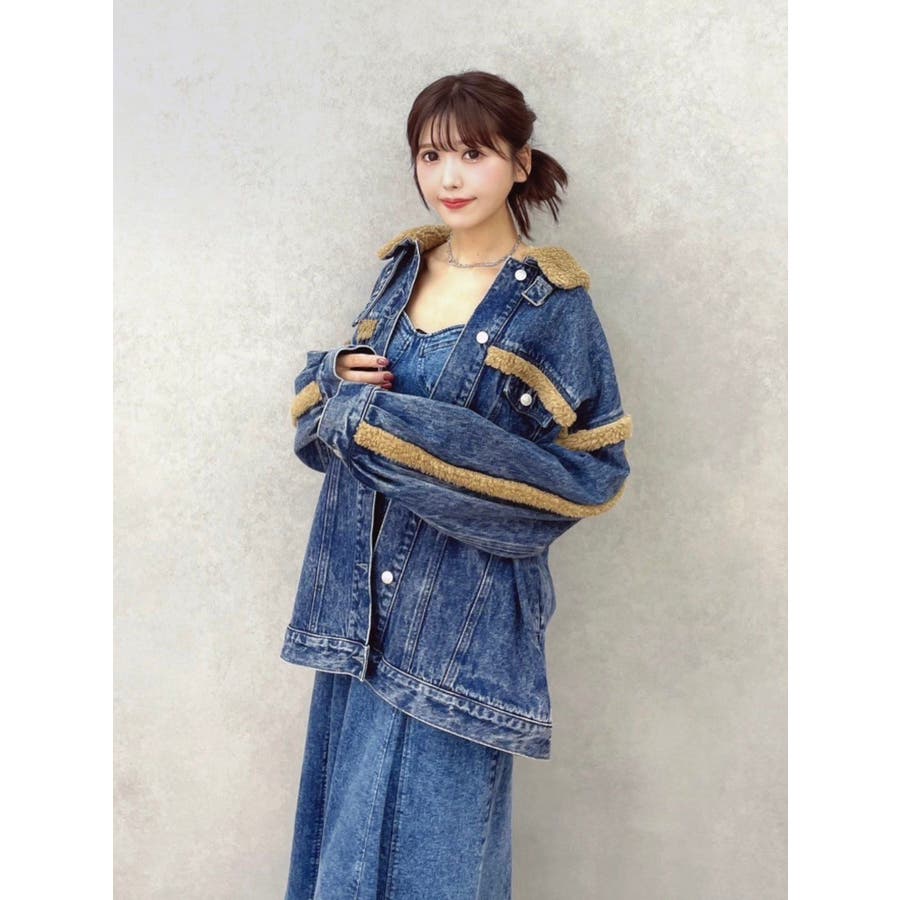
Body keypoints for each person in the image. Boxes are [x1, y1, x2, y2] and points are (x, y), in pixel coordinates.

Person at [282, 70, 633, 900]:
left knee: (427, 867)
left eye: (474, 155)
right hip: (359, 620)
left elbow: (594, 473)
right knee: (346, 858)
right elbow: (333, 428)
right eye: (431, 155)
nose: (449, 177)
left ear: (519, 163)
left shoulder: (551, 306)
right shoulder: (401, 274)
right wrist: (333, 379)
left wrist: (396, 431)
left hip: (458, 626)